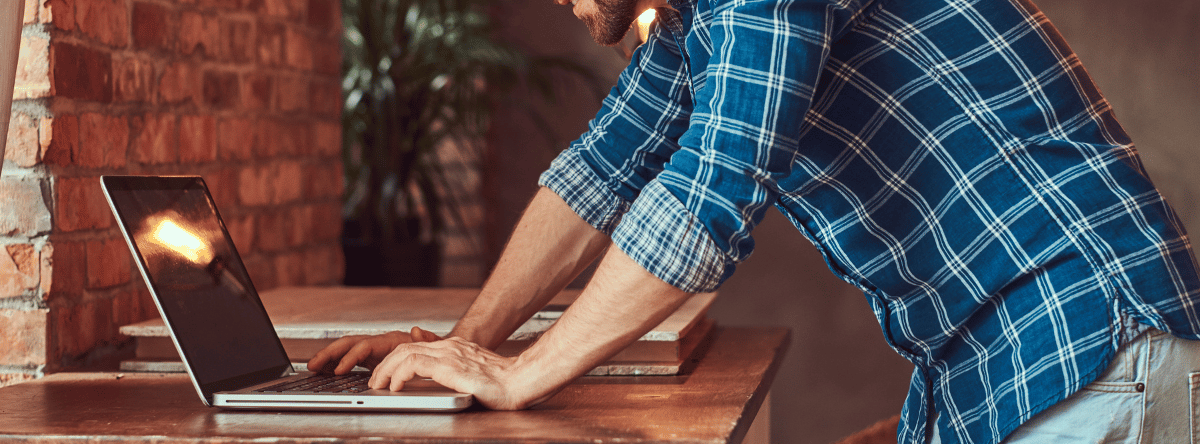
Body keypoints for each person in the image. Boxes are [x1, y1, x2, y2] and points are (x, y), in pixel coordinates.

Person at [308, 0, 1200, 442]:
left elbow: (712, 189)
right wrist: (459, 348)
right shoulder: (700, 25)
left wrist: (520, 375)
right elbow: (597, 175)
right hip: (1025, 367)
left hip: (1089, 347)